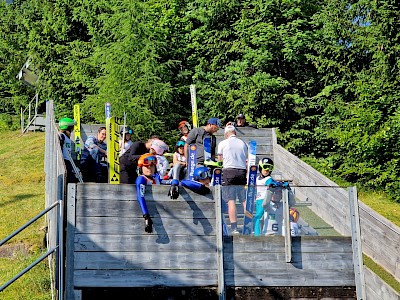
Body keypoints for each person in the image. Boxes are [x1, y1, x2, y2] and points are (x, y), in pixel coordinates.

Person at [217, 124, 248, 235]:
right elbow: (246, 159)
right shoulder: (243, 143)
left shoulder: (223, 143)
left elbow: (219, 160)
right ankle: (249, 223)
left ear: (226, 134)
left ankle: (234, 227)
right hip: (242, 171)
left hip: (229, 171)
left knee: (231, 200)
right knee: (244, 200)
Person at [135, 153, 160, 233]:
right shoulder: (142, 179)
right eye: (146, 166)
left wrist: (174, 184)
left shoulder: (156, 179)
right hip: (148, 214)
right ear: (141, 168)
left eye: (152, 166)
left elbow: (180, 182)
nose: (149, 168)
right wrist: (146, 216)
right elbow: (140, 195)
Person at [254, 157, 275, 236]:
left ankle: (257, 236)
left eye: (269, 169)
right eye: (264, 168)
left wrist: (271, 184)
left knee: (257, 218)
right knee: (259, 218)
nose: (266, 171)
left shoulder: (268, 178)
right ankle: (260, 233)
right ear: (260, 168)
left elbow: (270, 183)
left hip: (264, 200)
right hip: (258, 200)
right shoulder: (257, 178)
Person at [58, 117, 77, 183]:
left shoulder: (67, 137)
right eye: (72, 127)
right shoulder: (62, 136)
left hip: (68, 160)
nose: (73, 129)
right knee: (70, 178)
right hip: (64, 160)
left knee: (72, 178)